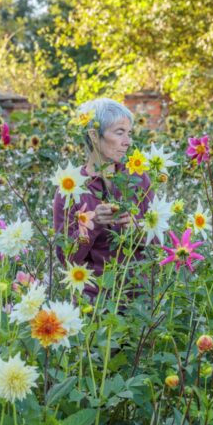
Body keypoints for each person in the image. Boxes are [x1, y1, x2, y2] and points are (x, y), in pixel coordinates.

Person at [53, 98, 154, 301]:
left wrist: (139, 231)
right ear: (94, 135)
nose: (128, 142)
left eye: (129, 133)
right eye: (119, 132)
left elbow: (161, 242)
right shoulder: (70, 188)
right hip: (94, 303)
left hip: (139, 300)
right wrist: (92, 223)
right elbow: (67, 258)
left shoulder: (138, 178)